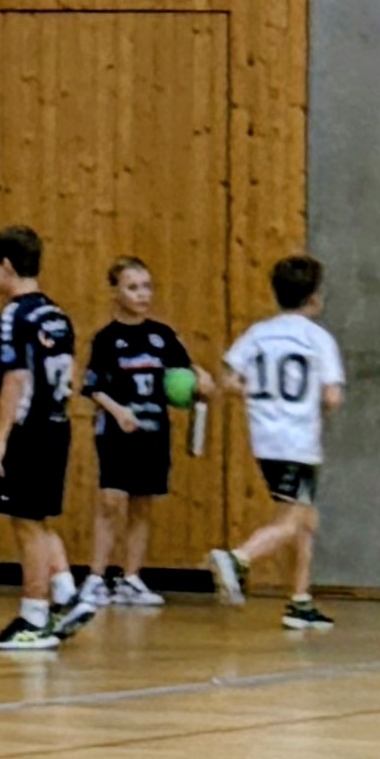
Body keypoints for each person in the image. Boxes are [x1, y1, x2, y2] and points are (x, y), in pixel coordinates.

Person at [212, 254, 341, 633]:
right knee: (293, 521)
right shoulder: (318, 339)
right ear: (315, 298)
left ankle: (300, 600)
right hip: (298, 442)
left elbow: (228, 380)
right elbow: (332, 396)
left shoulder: (258, 333)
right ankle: (238, 558)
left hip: (265, 440)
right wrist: (314, 406)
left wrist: (258, 392)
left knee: (307, 519)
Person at [0, 225, 88, 651]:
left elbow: (15, 379)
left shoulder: (14, 315)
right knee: (38, 518)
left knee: (25, 524)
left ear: (7, 266)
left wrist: (0, 438)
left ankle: (33, 616)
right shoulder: (56, 314)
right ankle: (66, 595)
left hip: (28, 427)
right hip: (57, 423)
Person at [81, 258, 192, 611]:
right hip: (116, 433)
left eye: (147, 287)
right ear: (115, 292)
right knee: (110, 502)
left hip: (153, 433)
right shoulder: (106, 339)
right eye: (133, 287)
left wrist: (200, 383)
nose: (142, 294)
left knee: (142, 506)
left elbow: (184, 374)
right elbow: (92, 387)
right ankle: (95, 578)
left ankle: (131, 578)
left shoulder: (163, 336)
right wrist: (118, 411)